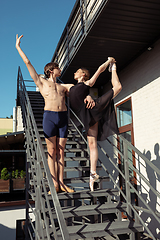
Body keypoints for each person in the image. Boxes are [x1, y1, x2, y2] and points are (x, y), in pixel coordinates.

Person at [16, 34, 74, 193]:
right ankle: (54, 184)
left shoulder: (64, 87)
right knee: (52, 151)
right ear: (51, 70)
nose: (60, 69)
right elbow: (28, 63)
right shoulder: (41, 82)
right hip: (50, 117)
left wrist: (88, 95)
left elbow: (79, 89)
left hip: (63, 118)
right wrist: (18, 47)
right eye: (58, 67)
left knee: (61, 151)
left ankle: (62, 183)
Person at [64, 59, 122, 191]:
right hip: (87, 116)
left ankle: (113, 68)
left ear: (83, 74)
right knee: (91, 144)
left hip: (93, 108)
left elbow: (99, 70)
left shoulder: (87, 83)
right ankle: (93, 173)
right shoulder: (69, 87)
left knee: (118, 87)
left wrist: (108, 62)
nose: (74, 72)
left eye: (77, 71)